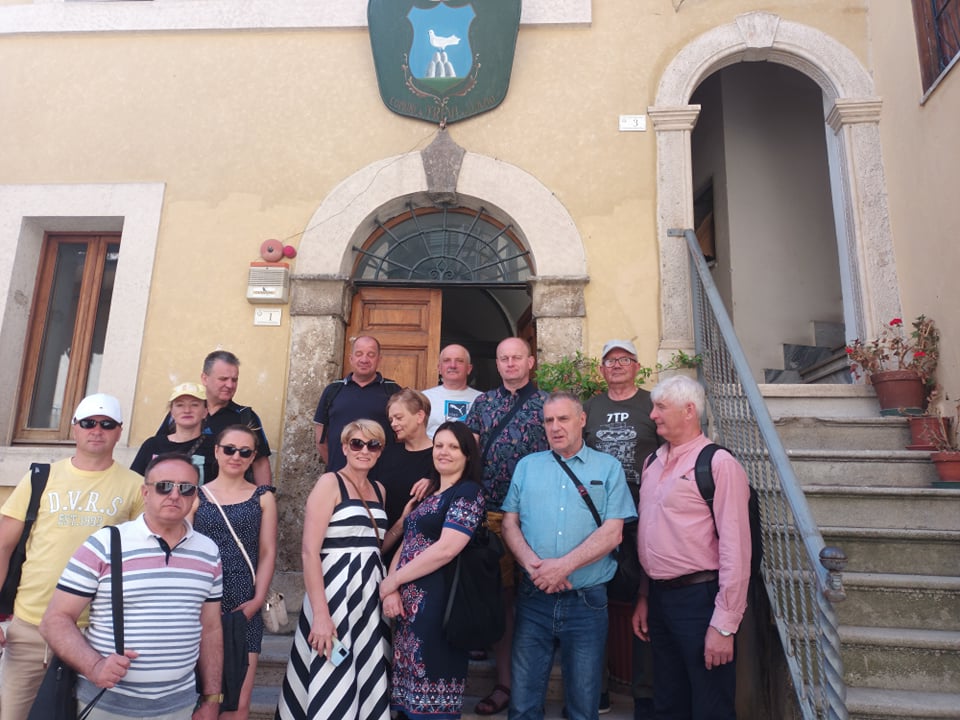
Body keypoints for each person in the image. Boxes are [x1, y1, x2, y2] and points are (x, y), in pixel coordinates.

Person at [39, 453, 224, 720]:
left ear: (195, 495)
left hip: (179, 707)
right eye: (164, 486)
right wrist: (94, 666)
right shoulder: (105, 544)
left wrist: (212, 696)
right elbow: (55, 620)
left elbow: (211, 628)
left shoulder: (208, 551)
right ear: (145, 492)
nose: (174, 495)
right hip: (106, 705)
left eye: (185, 488)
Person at [0, 393, 145, 720]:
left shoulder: (137, 487)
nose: (97, 430)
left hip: (96, 633)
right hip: (31, 629)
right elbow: (3, 546)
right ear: (74, 427)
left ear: (119, 431)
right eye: (89, 423)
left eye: (107, 424)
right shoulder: (41, 478)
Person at [501, 391, 636, 720]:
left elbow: (613, 533)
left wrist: (561, 567)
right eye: (549, 420)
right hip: (534, 598)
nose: (555, 427)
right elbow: (509, 523)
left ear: (582, 420)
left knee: (583, 705)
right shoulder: (527, 467)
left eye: (563, 419)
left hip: (586, 602)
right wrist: (535, 568)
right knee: (523, 704)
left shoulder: (609, 468)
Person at [631, 375, 751, 720]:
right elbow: (651, 535)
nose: (652, 415)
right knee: (668, 701)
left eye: (660, 407)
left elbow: (736, 549)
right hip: (659, 599)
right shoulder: (652, 462)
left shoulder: (718, 464)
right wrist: (644, 596)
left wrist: (724, 625)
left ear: (688, 411)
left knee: (710, 705)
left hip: (701, 601)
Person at [276, 420, 390, 720]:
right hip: (334, 595)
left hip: (368, 598)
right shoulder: (330, 483)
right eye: (357, 443)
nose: (364, 450)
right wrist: (321, 615)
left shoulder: (379, 490)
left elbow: (373, 546)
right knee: (331, 670)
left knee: (364, 671)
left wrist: (403, 522)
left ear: (380, 451)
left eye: (373, 444)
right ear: (344, 447)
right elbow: (309, 552)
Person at [464, 336, 548, 715]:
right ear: (496, 364)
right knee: (502, 599)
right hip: (492, 515)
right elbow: (469, 454)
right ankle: (505, 683)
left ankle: (531, 686)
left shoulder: (548, 404)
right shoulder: (483, 404)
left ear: (530, 362)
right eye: (504, 358)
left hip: (538, 515)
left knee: (537, 600)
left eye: (517, 357)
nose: (510, 363)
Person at [379, 422, 486, 720]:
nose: (444, 452)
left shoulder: (468, 494)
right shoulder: (431, 494)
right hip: (408, 612)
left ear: (467, 455)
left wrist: (393, 581)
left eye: (453, 447)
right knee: (407, 705)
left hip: (439, 609)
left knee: (432, 708)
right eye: (439, 445)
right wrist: (392, 587)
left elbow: (447, 549)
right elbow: (408, 542)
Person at [583, 339, 659, 718]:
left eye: (624, 359)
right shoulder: (590, 407)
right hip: (597, 519)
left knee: (647, 601)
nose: (616, 365)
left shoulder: (652, 404)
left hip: (645, 517)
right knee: (593, 601)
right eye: (610, 360)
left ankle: (645, 693)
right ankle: (597, 689)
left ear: (636, 367)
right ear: (601, 369)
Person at [191, 426, 278, 720]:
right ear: (217, 451)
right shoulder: (196, 495)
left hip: (244, 605)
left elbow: (267, 551)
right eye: (229, 449)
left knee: (238, 701)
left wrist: (257, 600)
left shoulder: (262, 497)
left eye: (244, 452)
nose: (236, 456)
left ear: (253, 457)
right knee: (201, 699)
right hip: (201, 602)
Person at [157, 351, 273, 486]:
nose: (230, 385)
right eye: (223, 379)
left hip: (229, 495)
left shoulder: (246, 417)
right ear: (204, 378)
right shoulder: (184, 413)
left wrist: (265, 495)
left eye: (234, 380)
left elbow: (260, 463)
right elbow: (159, 451)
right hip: (183, 492)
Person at [313, 336, 400, 472]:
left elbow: (405, 437)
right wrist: (337, 470)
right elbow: (321, 440)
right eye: (359, 354)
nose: (364, 359)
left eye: (371, 355)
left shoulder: (393, 391)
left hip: (382, 477)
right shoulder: (333, 390)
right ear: (351, 358)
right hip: (340, 475)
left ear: (379, 360)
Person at [371, 389, 435, 563]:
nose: (393, 424)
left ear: (420, 416)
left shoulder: (440, 457)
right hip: (385, 547)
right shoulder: (386, 454)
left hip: (423, 554)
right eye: (391, 419)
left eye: (399, 418)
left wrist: (435, 481)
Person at [132, 382, 214, 485]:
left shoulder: (214, 448)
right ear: (172, 412)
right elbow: (134, 483)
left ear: (205, 412)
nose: (187, 410)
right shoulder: (152, 445)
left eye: (194, 405)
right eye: (180, 405)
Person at [421, 343, 482, 438]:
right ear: (439, 368)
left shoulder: (482, 399)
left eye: (459, 361)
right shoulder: (423, 398)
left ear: (469, 369)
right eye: (447, 360)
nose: (453, 365)